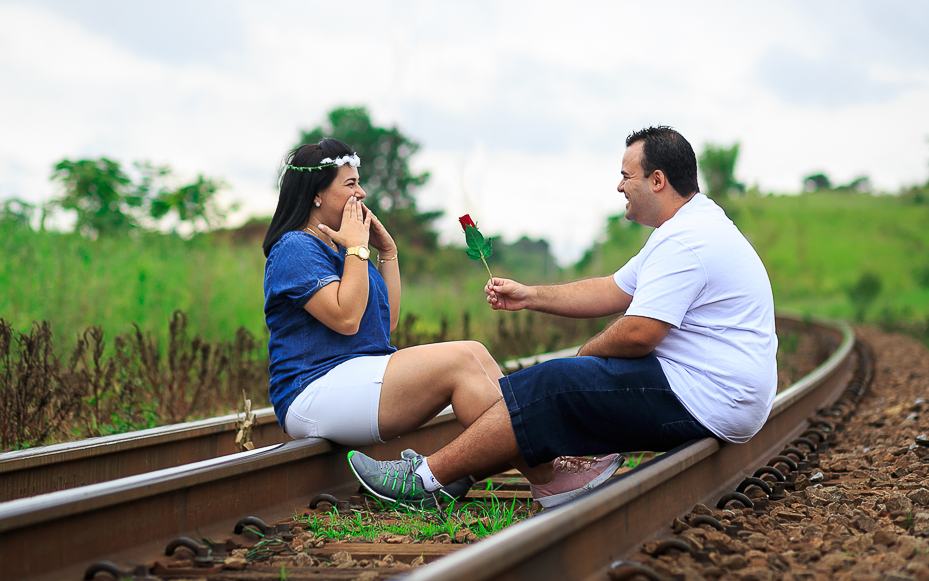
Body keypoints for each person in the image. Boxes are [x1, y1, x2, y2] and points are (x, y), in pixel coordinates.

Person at [348, 126, 778, 510]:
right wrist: (529, 295)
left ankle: (423, 480)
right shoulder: (687, 227)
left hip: (709, 395)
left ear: (658, 180)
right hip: (712, 388)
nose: (619, 186)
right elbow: (612, 289)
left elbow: (640, 334)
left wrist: (585, 359)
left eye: (626, 176)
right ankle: (459, 471)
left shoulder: (686, 240)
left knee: (552, 385)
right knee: (556, 382)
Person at [262, 138, 506, 491]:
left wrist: (387, 252)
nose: (361, 193)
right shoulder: (295, 247)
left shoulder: (340, 248)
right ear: (317, 194)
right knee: (464, 357)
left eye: (359, 183)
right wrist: (357, 248)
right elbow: (346, 318)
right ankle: (539, 475)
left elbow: (385, 322)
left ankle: (480, 472)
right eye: (350, 184)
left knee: (477, 354)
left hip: (353, 376)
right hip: (311, 389)